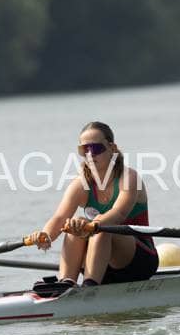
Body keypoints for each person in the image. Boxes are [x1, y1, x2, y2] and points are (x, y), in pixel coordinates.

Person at [26, 121, 158, 291]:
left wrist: (91, 225)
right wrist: (45, 236)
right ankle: (66, 283)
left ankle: (89, 288)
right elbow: (59, 218)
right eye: (84, 150)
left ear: (112, 148)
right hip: (100, 263)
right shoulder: (81, 184)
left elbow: (119, 213)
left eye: (95, 148)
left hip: (139, 262)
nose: (89, 154)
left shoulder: (129, 178)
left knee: (102, 227)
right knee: (73, 226)